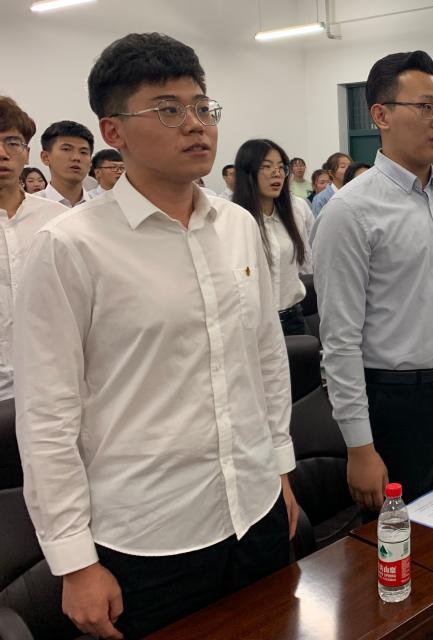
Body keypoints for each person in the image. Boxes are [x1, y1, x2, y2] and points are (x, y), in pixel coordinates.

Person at [14, 32, 298, 640]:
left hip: (256, 511)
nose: (195, 124)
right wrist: (75, 561)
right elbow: (47, 417)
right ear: (112, 131)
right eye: (168, 110)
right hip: (150, 538)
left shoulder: (237, 225)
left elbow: (265, 358)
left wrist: (278, 470)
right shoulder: (69, 246)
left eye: (202, 107)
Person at [313, 50, 433, 509]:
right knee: (403, 535)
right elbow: (340, 340)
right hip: (397, 403)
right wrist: (359, 446)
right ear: (381, 115)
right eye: (424, 107)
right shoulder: (350, 211)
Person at [0, 97, 66, 402]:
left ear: (27, 154)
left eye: (12, 143)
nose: (2, 154)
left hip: (48, 388)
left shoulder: (58, 221)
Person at [232, 139, 314, 336]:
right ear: (248, 172)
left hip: (293, 318)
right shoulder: (234, 220)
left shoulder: (295, 212)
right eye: (267, 167)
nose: (276, 173)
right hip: (254, 323)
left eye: (281, 167)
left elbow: (306, 263)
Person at [35, 120, 94, 207]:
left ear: (90, 162)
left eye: (83, 152)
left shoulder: (102, 207)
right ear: (45, 157)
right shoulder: (28, 208)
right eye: (66, 149)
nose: (76, 158)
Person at [310, 152, 351, 216]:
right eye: (343, 167)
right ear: (331, 173)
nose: (349, 169)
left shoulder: (353, 192)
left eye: (350, 166)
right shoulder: (320, 199)